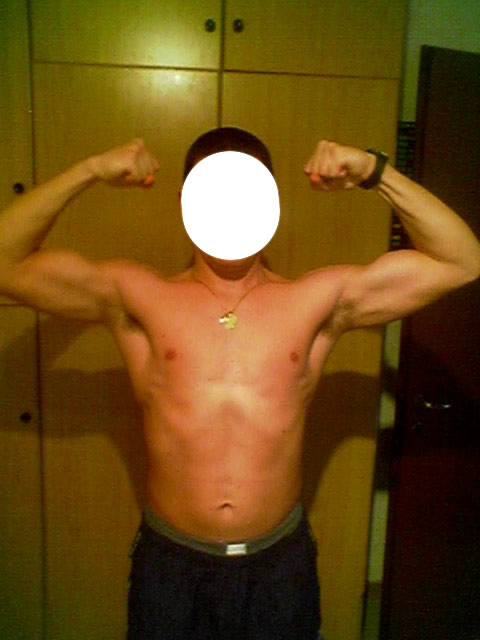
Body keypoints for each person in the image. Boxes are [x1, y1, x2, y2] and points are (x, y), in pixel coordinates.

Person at [0, 127, 479, 640]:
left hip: (278, 564)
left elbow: (461, 261)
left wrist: (373, 171)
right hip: (172, 563)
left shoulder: (315, 300)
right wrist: (90, 169)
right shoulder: (138, 295)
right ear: (186, 200)